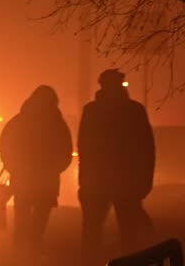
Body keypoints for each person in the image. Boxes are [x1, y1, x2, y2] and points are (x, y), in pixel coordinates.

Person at [77, 69, 156, 260]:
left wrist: (84, 180)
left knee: (91, 235)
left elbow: (84, 147)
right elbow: (146, 147)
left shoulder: (92, 110)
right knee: (129, 236)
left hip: (96, 181)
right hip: (127, 181)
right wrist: (145, 180)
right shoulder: (134, 110)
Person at [0, 85, 74, 251]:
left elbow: (4, 144)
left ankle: (20, 253)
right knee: (40, 219)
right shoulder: (57, 123)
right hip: (47, 179)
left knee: (22, 217)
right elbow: (66, 149)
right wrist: (56, 168)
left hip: (23, 178)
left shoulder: (19, 120)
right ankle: (33, 248)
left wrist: (12, 165)